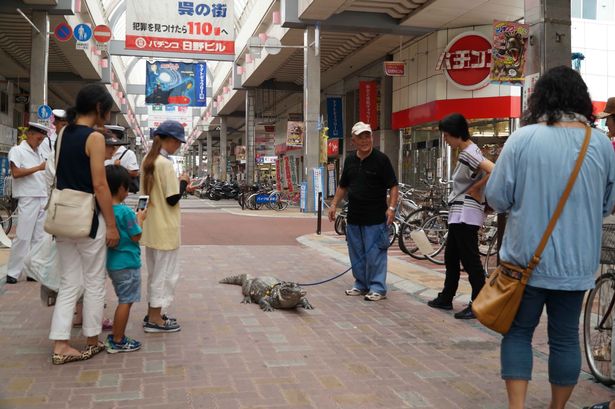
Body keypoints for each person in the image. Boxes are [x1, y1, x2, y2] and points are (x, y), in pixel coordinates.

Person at [485, 66, 615, 409]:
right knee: (564, 339)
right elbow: (607, 203)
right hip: (576, 265)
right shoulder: (600, 144)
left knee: (518, 333)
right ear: (581, 100)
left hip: (524, 262)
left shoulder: (522, 139)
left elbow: (496, 197)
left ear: (540, 97)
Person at [48, 83, 120, 365]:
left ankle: (60, 344)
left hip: (62, 218)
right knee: (93, 282)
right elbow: (100, 185)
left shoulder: (63, 133)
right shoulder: (95, 138)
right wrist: (112, 225)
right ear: (99, 108)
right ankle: (92, 340)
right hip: (88, 219)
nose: (107, 117)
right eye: (107, 111)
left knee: (68, 283)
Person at [426, 113, 494, 319]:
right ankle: (447, 296)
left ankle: (479, 302)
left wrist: (476, 188)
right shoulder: (469, 150)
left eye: (446, 136)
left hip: (466, 212)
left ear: (455, 134)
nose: (445, 140)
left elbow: (494, 169)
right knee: (452, 257)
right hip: (460, 212)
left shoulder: (469, 153)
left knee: (469, 259)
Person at [327, 121, 399, 301]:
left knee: (375, 254)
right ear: (353, 140)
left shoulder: (381, 159)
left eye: (368, 136)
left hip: (375, 217)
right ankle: (361, 284)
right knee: (356, 253)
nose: (365, 140)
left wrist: (391, 208)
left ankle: (377, 287)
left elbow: (393, 186)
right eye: (361, 137)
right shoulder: (350, 160)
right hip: (354, 217)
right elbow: (343, 185)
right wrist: (334, 204)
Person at [141, 120, 191, 332]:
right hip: (166, 227)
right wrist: (184, 182)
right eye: (177, 142)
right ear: (168, 140)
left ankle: (154, 313)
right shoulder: (165, 164)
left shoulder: (147, 160)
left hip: (151, 226)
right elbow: (172, 199)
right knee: (166, 275)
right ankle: (155, 319)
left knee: (155, 273)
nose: (178, 145)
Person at [104, 165, 145, 353]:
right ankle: (118, 339)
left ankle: (116, 336)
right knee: (125, 301)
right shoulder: (126, 212)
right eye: (127, 187)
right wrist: (141, 218)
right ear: (121, 188)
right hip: (128, 263)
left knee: (123, 298)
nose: (128, 191)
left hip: (112, 263)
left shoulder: (103, 209)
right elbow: (136, 236)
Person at [6, 122, 50, 284]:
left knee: (39, 238)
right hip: (28, 197)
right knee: (23, 236)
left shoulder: (39, 153)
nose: (39, 142)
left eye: (42, 139)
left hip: (42, 197)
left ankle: (32, 271)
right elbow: (16, 172)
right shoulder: (17, 151)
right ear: (29, 135)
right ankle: (13, 271)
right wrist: (39, 167)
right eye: (38, 138)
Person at [104, 125, 140, 193]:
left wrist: (118, 168)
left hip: (119, 192)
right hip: (104, 189)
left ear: (114, 136)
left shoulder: (129, 154)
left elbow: (135, 173)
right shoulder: (101, 151)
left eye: (108, 134)